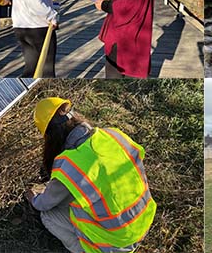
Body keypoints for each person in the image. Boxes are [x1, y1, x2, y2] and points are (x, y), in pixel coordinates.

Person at [26, 97, 156, 253]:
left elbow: (44, 204)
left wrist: (34, 198)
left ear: (50, 136)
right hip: (143, 221)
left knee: (49, 216)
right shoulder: (113, 134)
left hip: (117, 242)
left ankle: (85, 249)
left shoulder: (69, 164)